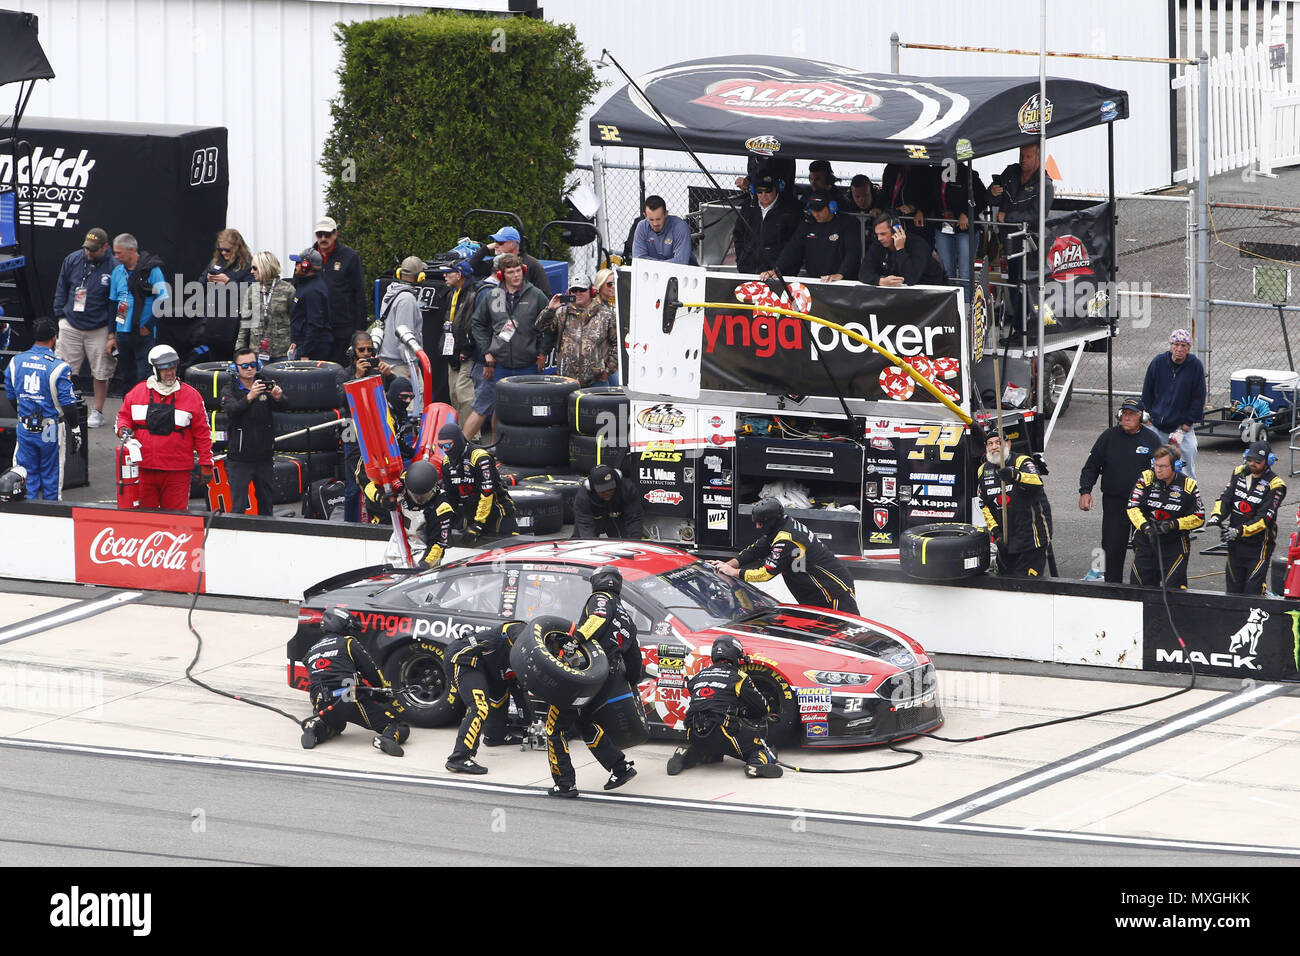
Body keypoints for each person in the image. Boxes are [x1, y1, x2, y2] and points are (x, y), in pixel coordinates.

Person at [544, 567, 641, 796]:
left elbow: (598, 618)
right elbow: (634, 659)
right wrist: (631, 680)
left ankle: (565, 784)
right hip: (608, 678)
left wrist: (575, 639)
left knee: (554, 728)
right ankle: (620, 767)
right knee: (585, 721)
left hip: (586, 675)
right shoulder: (628, 618)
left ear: (597, 581)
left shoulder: (600, 598)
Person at [711, 497, 859, 612]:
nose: (757, 526)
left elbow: (765, 574)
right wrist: (726, 565)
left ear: (771, 520)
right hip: (814, 593)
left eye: (760, 523)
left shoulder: (787, 538)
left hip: (833, 591)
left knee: (846, 638)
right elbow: (757, 549)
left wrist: (734, 572)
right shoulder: (780, 526)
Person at [666, 635, 782, 779]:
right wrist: (745, 711)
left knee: (712, 753)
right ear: (735, 655)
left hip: (694, 733)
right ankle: (755, 765)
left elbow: (705, 699)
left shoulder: (699, 675)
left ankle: (684, 755)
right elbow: (763, 708)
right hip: (723, 733)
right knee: (768, 748)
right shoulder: (739, 677)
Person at [115, 344, 214, 511]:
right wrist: (123, 428)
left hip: (177, 472)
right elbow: (123, 417)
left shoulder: (192, 396)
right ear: (154, 370)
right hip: (144, 469)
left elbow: (203, 433)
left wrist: (206, 464)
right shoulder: (136, 393)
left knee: (175, 520)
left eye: (173, 368)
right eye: (164, 369)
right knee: (145, 520)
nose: (170, 373)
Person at [300, 607, 409, 757]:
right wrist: (383, 694)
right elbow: (371, 671)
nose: (350, 632)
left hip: (320, 702)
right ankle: (386, 738)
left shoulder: (310, 652)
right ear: (340, 625)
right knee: (398, 726)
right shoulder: (348, 643)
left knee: (336, 725)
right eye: (348, 628)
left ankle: (315, 729)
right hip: (347, 697)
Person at [1078, 397, 1165, 583]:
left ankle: (1146, 587)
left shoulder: (1152, 439)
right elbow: (1091, 466)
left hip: (1143, 504)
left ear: (1141, 417)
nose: (1126, 418)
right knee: (1112, 546)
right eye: (1124, 413)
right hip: (1115, 502)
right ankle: (1112, 586)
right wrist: (1085, 491)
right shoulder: (1108, 437)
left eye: (1132, 414)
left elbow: (1164, 471)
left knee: (1147, 546)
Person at [470, 252, 549, 437]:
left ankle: (528, 449)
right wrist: (487, 352)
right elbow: (478, 324)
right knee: (497, 408)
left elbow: (551, 326)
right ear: (501, 275)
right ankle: (499, 449)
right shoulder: (493, 295)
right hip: (500, 365)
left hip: (528, 364)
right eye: (511, 272)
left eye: (518, 271)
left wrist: (543, 353)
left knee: (528, 410)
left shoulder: (536, 295)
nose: (516, 275)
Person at [444, 620, 531, 774]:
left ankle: (495, 735)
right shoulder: (522, 629)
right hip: (464, 658)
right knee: (479, 706)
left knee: (502, 690)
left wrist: (527, 726)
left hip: (487, 666)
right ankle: (459, 757)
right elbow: (512, 630)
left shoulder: (521, 662)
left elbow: (520, 691)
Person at [3, 318, 77, 500]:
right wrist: (75, 429)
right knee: (52, 475)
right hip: (50, 429)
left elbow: (11, 396)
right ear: (54, 338)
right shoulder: (59, 366)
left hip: (25, 427)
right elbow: (68, 403)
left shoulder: (15, 362)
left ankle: (29, 516)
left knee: (25, 476)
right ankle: (52, 515)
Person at [52, 227, 116, 428]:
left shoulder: (114, 267)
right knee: (63, 370)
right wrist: (60, 314)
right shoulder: (72, 259)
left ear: (106, 247)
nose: (89, 252)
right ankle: (62, 408)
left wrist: (112, 332)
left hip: (99, 327)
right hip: (71, 324)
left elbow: (116, 301)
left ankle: (97, 411)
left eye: (94, 249)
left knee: (101, 372)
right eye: (87, 248)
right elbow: (62, 286)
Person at [989, 143, 1054, 344]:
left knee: (1026, 287)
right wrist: (992, 191)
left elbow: (1037, 215)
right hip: (1008, 243)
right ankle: (1020, 330)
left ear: (1037, 157)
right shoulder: (1010, 172)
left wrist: (1007, 216)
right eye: (1021, 155)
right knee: (1013, 286)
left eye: (1027, 156)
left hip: (1030, 246)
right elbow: (988, 196)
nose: (1023, 160)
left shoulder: (1045, 184)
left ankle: (1026, 330)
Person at [1206, 441, 1288, 595]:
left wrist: (1238, 531)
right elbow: (1225, 498)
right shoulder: (1238, 472)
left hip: (1258, 547)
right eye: (1250, 460)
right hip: (1235, 544)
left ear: (1269, 461)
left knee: (1253, 591)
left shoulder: (1276, 485)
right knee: (1233, 590)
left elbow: (1264, 520)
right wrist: (1216, 516)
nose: (1253, 464)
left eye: (1258, 461)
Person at [1126, 444, 1205, 589]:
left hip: (1174, 543)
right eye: (1156, 465)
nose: (1158, 469)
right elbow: (1132, 507)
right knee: (1138, 588)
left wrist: (1173, 524)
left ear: (1176, 466)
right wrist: (1146, 527)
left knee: (1174, 591)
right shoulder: (1146, 477)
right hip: (1147, 539)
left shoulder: (1188, 485)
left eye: (1162, 466)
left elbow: (1199, 517)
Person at [978, 430, 1052, 577]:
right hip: (1005, 540)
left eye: (999, 442)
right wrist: (997, 533)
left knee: (1026, 586)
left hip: (1031, 538)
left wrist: (1015, 476)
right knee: (1005, 584)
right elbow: (984, 505)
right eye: (990, 444)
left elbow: (1037, 482)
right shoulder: (983, 470)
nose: (994, 447)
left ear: (1008, 444)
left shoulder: (1022, 461)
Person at [219, 347, 284, 515]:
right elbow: (231, 410)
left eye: (253, 365)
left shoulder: (265, 384)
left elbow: (285, 407)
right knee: (238, 507)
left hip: (264, 457)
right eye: (245, 366)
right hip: (239, 459)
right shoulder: (229, 389)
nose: (249, 369)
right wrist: (249, 397)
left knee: (266, 505)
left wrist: (278, 397)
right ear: (235, 369)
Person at [360, 457, 455, 566]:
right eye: (415, 495)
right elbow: (370, 487)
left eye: (423, 496)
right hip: (399, 539)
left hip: (423, 549)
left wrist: (426, 564)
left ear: (434, 488)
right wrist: (381, 498)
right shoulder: (402, 482)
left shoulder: (442, 507)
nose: (419, 499)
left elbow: (438, 543)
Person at [1140, 328, 1206, 480]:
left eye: (1184, 346)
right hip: (1156, 425)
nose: (1179, 349)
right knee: (1152, 463)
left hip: (1181, 427)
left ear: (1189, 349)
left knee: (1186, 461)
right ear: (1171, 345)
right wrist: (1148, 418)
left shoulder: (1195, 366)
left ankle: (1188, 495)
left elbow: (1198, 397)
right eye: (1176, 344)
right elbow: (1147, 391)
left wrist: (1187, 424)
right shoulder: (1158, 362)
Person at [535, 272, 619, 387]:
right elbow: (540, 327)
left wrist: (608, 370)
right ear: (569, 293)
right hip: (566, 380)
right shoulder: (562, 313)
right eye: (575, 290)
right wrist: (550, 309)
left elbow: (618, 344)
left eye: (582, 290)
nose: (578, 293)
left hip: (595, 381)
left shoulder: (606, 315)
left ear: (592, 291)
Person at [436, 422, 516, 542]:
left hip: (498, 514)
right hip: (471, 514)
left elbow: (487, 494)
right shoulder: (447, 463)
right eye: (440, 446)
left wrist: (478, 524)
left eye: (447, 446)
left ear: (457, 441)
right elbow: (451, 497)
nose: (444, 450)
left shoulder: (480, 458)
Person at [110, 233, 169, 389]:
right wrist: (112, 333)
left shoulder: (152, 270)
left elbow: (163, 301)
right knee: (126, 375)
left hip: (143, 332)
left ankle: (145, 410)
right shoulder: (117, 271)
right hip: (122, 330)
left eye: (119, 253)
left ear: (131, 250)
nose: (115, 256)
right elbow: (112, 303)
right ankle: (127, 410)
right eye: (114, 253)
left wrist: (149, 326)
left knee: (144, 375)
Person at [188, 227, 254, 357]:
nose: (223, 252)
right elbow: (199, 284)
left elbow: (251, 292)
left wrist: (229, 282)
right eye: (220, 249)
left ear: (237, 248)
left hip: (234, 322)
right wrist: (207, 280)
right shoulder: (216, 262)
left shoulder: (248, 265)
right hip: (213, 320)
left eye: (227, 250)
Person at [309, 216, 367, 360]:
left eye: (327, 234)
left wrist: (359, 328)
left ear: (335, 234)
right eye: (319, 234)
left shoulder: (350, 257)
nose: (323, 238)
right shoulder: (307, 257)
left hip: (342, 328)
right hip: (316, 329)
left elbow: (359, 293)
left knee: (342, 370)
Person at [767, 195, 861, 283]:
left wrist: (841, 274)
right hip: (815, 280)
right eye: (813, 210)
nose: (815, 214)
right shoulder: (807, 224)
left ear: (832, 207)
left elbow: (853, 252)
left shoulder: (848, 223)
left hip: (841, 282)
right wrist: (777, 269)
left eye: (819, 210)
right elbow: (792, 249)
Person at [732, 171, 801, 276]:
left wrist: (779, 269)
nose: (763, 195)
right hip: (747, 270)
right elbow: (738, 235)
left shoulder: (791, 210)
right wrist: (741, 260)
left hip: (777, 275)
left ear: (776, 189)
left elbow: (794, 245)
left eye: (767, 191)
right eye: (759, 191)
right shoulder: (748, 207)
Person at [859, 213, 949, 287]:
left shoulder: (918, 244)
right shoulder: (878, 244)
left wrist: (900, 249)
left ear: (896, 230)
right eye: (877, 234)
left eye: (883, 234)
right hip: (902, 294)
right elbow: (863, 273)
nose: (879, 238)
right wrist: (880, 281)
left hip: (932, 291)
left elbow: (911, 278)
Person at [440, 260, 480, 429]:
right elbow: (449, 322)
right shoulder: (451, 293)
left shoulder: (473, 294)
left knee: (465, 395)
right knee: (453, 394)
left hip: (467, 353)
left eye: (448, 272)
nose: (444, 276)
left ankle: (470, 436)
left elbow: (472, 325)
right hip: (452, 352)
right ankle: (458, 433)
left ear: (459, 274)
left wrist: (467, 349)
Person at [237, 251, 295, 362]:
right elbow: (245, 322)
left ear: (264, 267)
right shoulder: (252, 290)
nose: (251, 271)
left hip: (282, 352)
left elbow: (296, 321)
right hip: (257, 352)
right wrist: (239, 350)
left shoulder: (288, 290)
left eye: (255, 268)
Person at [934, 167, 988, 284]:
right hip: (942, 227)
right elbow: (929, 198)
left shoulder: (969, 174)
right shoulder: (935, 172)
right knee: (947, 272)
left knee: (965, 274)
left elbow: (983, 198)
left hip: (965, 230)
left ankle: (967, 302)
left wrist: (967, 214)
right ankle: (950, 301)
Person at [467, 225, 552, 296]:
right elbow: (470, 268)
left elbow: (545, 295)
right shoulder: (496, 261)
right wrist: (486, 248)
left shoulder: (532, 264)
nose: (496, 245)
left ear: (513, 244)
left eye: (500, 243)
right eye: (495, 242)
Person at [376, 256, 425, 370]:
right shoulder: (407, 299)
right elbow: (404, 334)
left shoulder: (391, 292)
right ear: (420, 277)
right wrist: (412, 364)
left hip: (388, 362)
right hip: (401, 365)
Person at [573, 463, 643, 539]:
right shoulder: (583, 497)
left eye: (610, 488)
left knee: (631, 539)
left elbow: (634, 519)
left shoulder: (628, 489)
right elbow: (585, 525)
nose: (607, 493)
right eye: (602, 490)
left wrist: (633, 543)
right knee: (581, 540)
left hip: (619, 517)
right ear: (591, 487)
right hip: (593, 519)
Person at [288, 247, 332, 361]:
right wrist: (295, 341)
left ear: (306, 266)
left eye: (298, 263)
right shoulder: (305, 285)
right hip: (303, 344)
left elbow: (315, 325)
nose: (295, 266)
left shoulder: (313, 291)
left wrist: (305, 352)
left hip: (313, 349)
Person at [631, 195, 693, 264]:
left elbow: (681, 261)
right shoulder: (641, 227)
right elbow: (638, 260)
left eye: (658, 219)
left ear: (666, 214)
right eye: (651, 219)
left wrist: (653, 264)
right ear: (645, 216)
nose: (655, 223)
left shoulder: (680, 227)